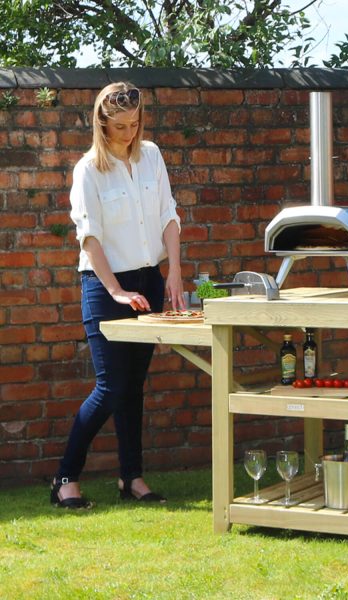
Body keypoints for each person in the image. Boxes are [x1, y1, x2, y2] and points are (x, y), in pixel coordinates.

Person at [51, 82, 186, 508]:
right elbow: (89, 239)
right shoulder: (88, 170)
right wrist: (116, 291)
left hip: (149, 281)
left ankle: (132, 478)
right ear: (101, 123)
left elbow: (168, 215)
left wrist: (175, 272)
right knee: (110, 386)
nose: (129, 133)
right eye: (120, 126)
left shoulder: (153, 156)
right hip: (105, 285)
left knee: (134, 387)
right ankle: (65, 478)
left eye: (135, 123)